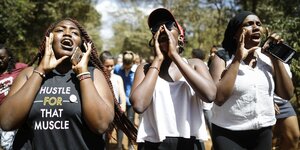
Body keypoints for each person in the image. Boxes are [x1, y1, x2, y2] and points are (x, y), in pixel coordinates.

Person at [0, 18, 136, 150]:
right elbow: (6, 122)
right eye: (60, 30)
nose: (67, 34)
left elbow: (101, 125)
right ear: (49, 39)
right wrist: (41, 70)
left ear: (82, 44)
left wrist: (83, 74)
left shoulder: (94, 75)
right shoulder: (29, 74)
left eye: (75, 32)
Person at [130, 8, 216, 150]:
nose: (162, 30)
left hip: (190, 142)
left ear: (180, 36)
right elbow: (139, 105)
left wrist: (174, 55)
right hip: (153, 143)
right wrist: (158, 59)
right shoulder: (145, 69)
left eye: (169, 25)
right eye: (156, 27)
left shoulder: (195, 64)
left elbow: (210, 95)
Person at [209, 11, 294, 150]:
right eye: (248, 24)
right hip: (228, 133)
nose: (255, 27)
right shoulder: (223, 58)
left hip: (263, 132)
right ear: (235, 34)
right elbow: (218, 98)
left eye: (258, 24)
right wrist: (237, 58)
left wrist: (275, 57)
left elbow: (287, 94)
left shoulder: (267, 58)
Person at [0, 44, 28, 150]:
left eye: (2, 58)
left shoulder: (19, 68)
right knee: (6, 143)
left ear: (9, 57)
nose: (0, 61)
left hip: (18, 110)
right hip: (3, 114)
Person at [99, 50, 127, 149]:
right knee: (104, 133)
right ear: (101, 64)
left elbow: (122, 94)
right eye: (107, 66)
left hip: (117, 109)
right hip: (103, 111)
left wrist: (123, 105)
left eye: (112, 66)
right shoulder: (98, 78)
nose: (110, 68)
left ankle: (119, 146)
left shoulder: (118, 78)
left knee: (120, 128)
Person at [114, 50, 137, 150]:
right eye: (125, 64)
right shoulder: (117, 69)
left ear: (132, 63)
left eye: (129, 65)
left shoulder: (136, 71)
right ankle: (119, 146)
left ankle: (130, 145)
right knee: (120, 124)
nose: (127, 67)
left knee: (130, 123)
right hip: (120, 102)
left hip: (131, 102)